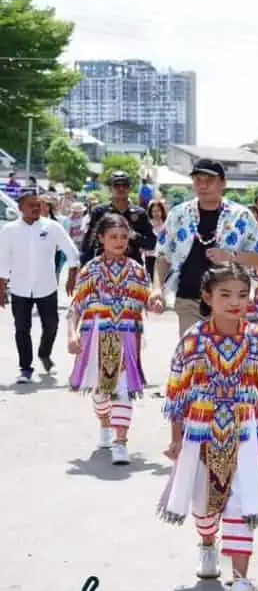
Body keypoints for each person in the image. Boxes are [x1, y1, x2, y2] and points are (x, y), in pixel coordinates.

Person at [158, 263, 258, 591]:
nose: (236, 302)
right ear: (207, 297)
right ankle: (207, 544)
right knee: (204, 506)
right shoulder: (192, 339)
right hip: (201, 431)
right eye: (226, 294)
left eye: (243, 295)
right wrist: (175, 439)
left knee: (242, 500)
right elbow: (177, 393)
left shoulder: (257, 336)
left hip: (245, 431)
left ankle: (241, 578)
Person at [148, 159, 258, 338]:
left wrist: (230, 256)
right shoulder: (178, 214)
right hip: (188, 299)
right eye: (198, 180)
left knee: (226, 360)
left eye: (209, 180)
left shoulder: (241, 215)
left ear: (223, 182)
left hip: (231, 302)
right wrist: (157, 288)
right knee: (193, 358)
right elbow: (162, 255)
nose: (203, 185)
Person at [66, 214, 150, 464]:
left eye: (124, 237)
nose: (119, 241)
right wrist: (71, 334)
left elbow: (147, 301)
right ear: (101, 238)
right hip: (95, 337)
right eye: (113, 236)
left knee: (121, 390)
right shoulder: (90, 269)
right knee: (102, 391)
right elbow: (76, 307)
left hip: (127, 338)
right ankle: (104, 423)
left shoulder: (136, 270)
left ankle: (120, 443)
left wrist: (156, 301)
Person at [0, 188, 80, 383]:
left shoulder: (52, 227)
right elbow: (2, 260)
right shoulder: (9, 230)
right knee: (21, 329)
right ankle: (25, 368)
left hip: (47, 287)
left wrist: (72, 275)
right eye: (31, 205)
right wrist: (1, 288)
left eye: (39, 205)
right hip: (19, 288)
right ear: (20, 208)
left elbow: (71, 251)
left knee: (51, 326)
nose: (36, 208)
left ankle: (44, 354)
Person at [80, 171, 155, 266]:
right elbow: (87, 244)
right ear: (110, 188)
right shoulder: (99, 212)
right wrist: (84, 268)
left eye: (125, 185)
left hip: (132, 269)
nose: (121, 188)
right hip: (103, 268)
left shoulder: (139, 213)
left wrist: (134, 236)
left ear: (129, 188)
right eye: (116, 185)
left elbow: (151, 243)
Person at [143, 200, 168, 280]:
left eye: (158, 211)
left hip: (163, 257)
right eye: (153, 211)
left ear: (162, 211)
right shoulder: (147, 225)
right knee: (152, 279)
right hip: (150, 256)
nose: (156, 213)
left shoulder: (166, 224)